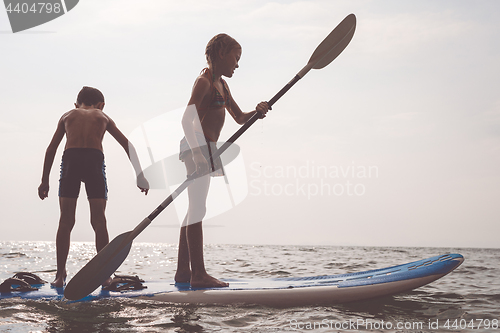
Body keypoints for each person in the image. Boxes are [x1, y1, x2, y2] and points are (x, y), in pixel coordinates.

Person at [175, 34, 270, 288]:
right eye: (235, 58)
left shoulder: (223, 86)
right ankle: (198, 275)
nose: (237, 64)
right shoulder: (204, 81)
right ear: (221, 53)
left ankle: (184, 272)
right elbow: (187, 119)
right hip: (197, 145)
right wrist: (197, 152)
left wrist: (257, 112)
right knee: (198, 209)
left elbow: (239, 117)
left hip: (206, 148)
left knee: (195, 208)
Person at [38, 86, 149, 287]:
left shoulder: (67, 115)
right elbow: (128, 145)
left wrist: (44, 180)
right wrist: (140, 176)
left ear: (76, 104)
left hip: (71, 161)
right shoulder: (102, 116)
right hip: (93, 162)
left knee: (65, 220)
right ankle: (104, 275)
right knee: (99, 220)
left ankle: (60, 274)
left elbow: (51, 149)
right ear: (101, 105)